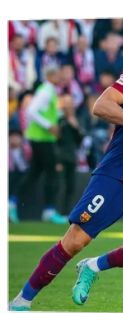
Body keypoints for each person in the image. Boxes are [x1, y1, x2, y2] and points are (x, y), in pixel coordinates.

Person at [9, 16, 123, 311]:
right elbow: (102, 105)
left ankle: (94, 267)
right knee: (74, 242)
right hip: (117, 176)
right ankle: (21, 302)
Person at [9, 65, 66, 225]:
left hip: (40, 137)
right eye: (57, 74)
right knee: (51, 173)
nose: (60, 77)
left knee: (34, 173)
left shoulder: (48, 90)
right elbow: (31, 111)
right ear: (49, 76)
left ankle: (11, 202)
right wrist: (49, 125)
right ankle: (49, 210)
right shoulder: (46, 91)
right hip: (42, 138)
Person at [57, 94, 84, 214]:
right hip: (61, 157)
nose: (69, 105)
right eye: (66, 102)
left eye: (70, 103)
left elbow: (79, 141)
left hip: (71, 157)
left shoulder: (75, 120)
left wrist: (76, 127)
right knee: (59, 185)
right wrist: (56, 160)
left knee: (71, 186)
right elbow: (56, 141)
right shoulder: (59, 120)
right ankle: (54, 212)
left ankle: (66, 212)